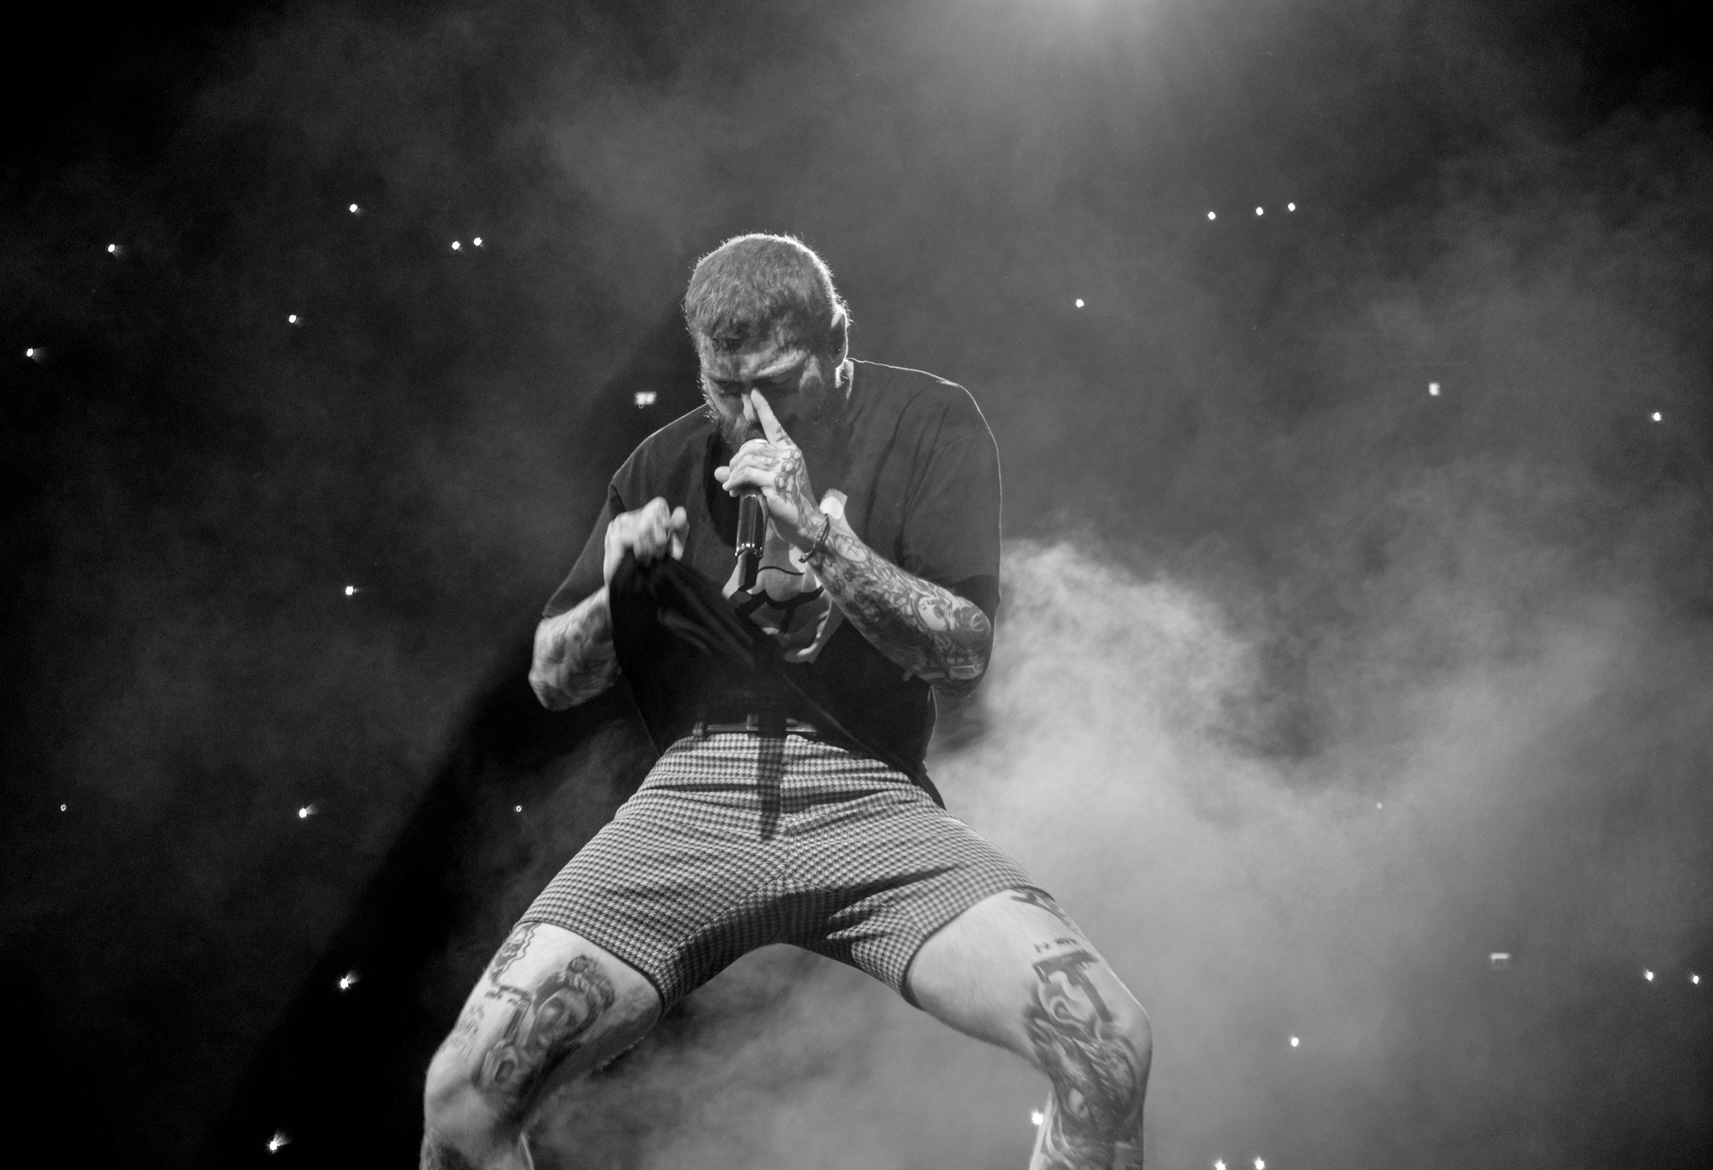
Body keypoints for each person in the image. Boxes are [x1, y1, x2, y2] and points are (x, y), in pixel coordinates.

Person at [420, 234, 1151, 1169]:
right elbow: (553, 680)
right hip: (692, 796)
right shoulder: (661, 461)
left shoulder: (928, 418)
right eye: (724, 388)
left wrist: (818, 535)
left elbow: (961, 652)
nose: (749, 412)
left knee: (1108, 1046)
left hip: (868, 797)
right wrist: (614, 589)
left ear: (835, 342)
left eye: (773, 381)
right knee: (463, 1097)